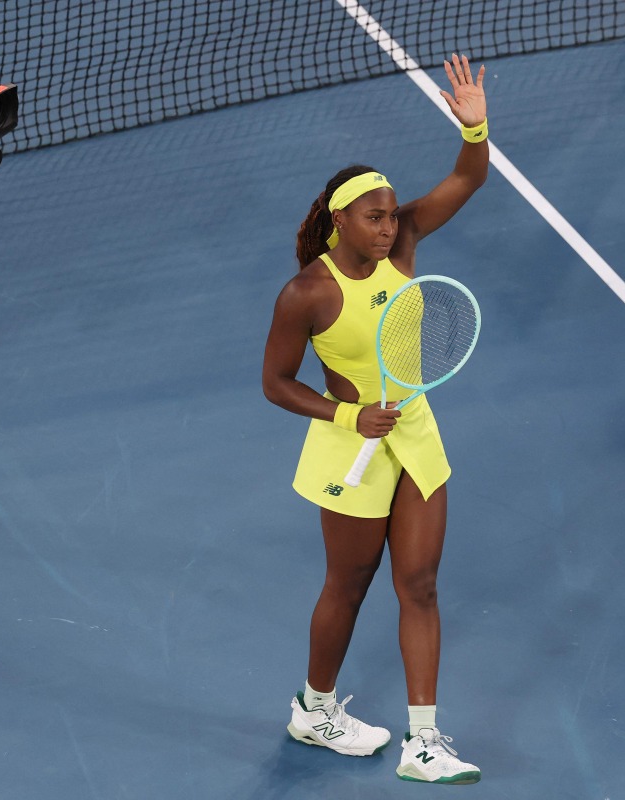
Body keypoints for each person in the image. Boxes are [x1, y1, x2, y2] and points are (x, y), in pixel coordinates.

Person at [262, 53, 489, 785]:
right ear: (342, 220)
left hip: (414, 433)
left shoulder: (409, 243)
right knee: (349, 585)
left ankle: (423, 743)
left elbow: (468, 179)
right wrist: (347, 414)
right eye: (376, 216)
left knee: (419, 583)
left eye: (393, 214)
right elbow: (274, 383)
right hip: (349, 443)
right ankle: (314, 708)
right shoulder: (307, 294)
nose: (391, 226)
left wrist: (474, 125)